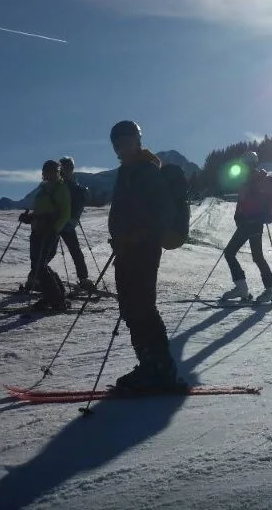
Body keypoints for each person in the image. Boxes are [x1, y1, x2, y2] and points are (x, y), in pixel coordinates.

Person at [107, 120, 185, 392]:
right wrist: (119, 237)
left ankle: (162, 369)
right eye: (118, 142)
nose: (122, 146)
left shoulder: (147, 171)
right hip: (126, 250)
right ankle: (148, 364)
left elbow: (163, 213)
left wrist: (136, 236)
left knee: (143, 308)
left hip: (142, 249)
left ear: (137, 141)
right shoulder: (126, 172)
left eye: (127, 140)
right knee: (130, 309)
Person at [220, 151, 272, 303]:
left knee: (229, 252)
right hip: (249, 223)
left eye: (247, 164)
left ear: (252, 164)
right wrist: (238, 217)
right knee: (257, 257)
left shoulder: (259, 180)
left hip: (252, 223)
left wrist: (269, 216)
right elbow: (242, 203)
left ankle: (243, 289)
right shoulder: (248, 181)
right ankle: (271, 291)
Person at [19, 159, 71, 311]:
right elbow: (40, 212)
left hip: (49, 232)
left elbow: (65, 213)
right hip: (37, 231)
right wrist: (30, 218)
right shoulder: (42, 190)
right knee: (37, 265)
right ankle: (55, 295)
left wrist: (55, 229)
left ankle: (56, 299)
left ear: (58, 172)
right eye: (46, 171)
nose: (48, 174)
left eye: (52, 171)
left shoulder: (61, 189)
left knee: (40, 265)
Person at [58, 156, 94, 292]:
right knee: (74, 251)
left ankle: (36, 277)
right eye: (65, 167)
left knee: (74, 251)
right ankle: (83, 278)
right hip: (63, 223)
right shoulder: (68, 184)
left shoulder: (67, 184)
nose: (66, 170)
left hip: (63, 223)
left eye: (68, 167)